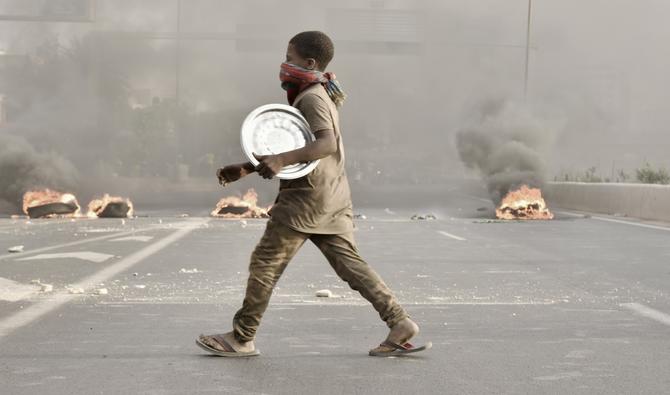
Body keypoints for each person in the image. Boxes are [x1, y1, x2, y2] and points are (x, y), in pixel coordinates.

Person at [197, 31, 429, 357]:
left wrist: (278, 161)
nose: (284, 64)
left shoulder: (312, 98)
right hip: (331, 195)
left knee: (265, 263)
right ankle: (400, 322)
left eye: (290, 58)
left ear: (309, 62)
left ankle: (241, 337)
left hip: (305, 199)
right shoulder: (316, 94)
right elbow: (296, 146)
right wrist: (247, 167)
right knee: (350, 265)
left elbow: (325, 144)